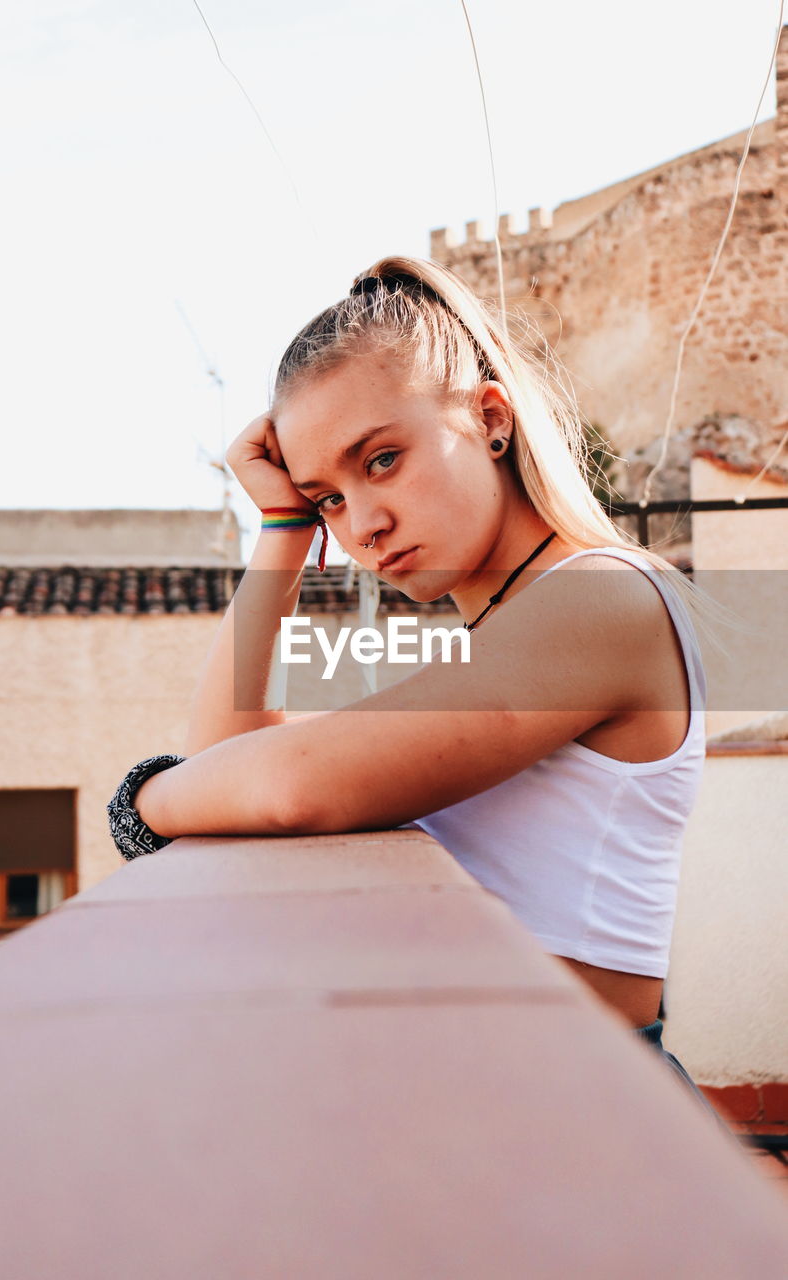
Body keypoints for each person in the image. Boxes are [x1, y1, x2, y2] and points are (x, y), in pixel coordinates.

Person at [107, 256, 729, 1125]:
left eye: (384, 460)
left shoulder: (602, 599)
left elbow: (286, 788)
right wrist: (283, 531)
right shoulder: (498, 634)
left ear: (489, 419)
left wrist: (142, 797)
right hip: (491, 1098)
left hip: (583, 1114)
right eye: (327, 497)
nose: (362, 524)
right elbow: (234, 768)